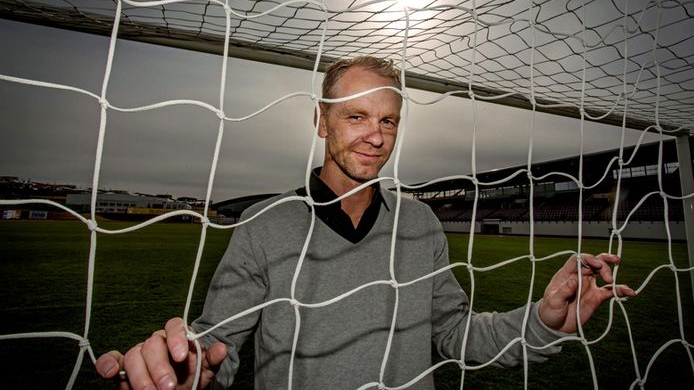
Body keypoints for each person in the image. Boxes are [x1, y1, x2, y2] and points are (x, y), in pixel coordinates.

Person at [96, 56, 636, 390]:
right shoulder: (265, 225)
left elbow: (454, 333)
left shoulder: (421, 224)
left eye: (388, 121)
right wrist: (189, 368)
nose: (375, 137)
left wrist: (542, 319)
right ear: (320, 120)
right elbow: (219, 350)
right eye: (356, 116)